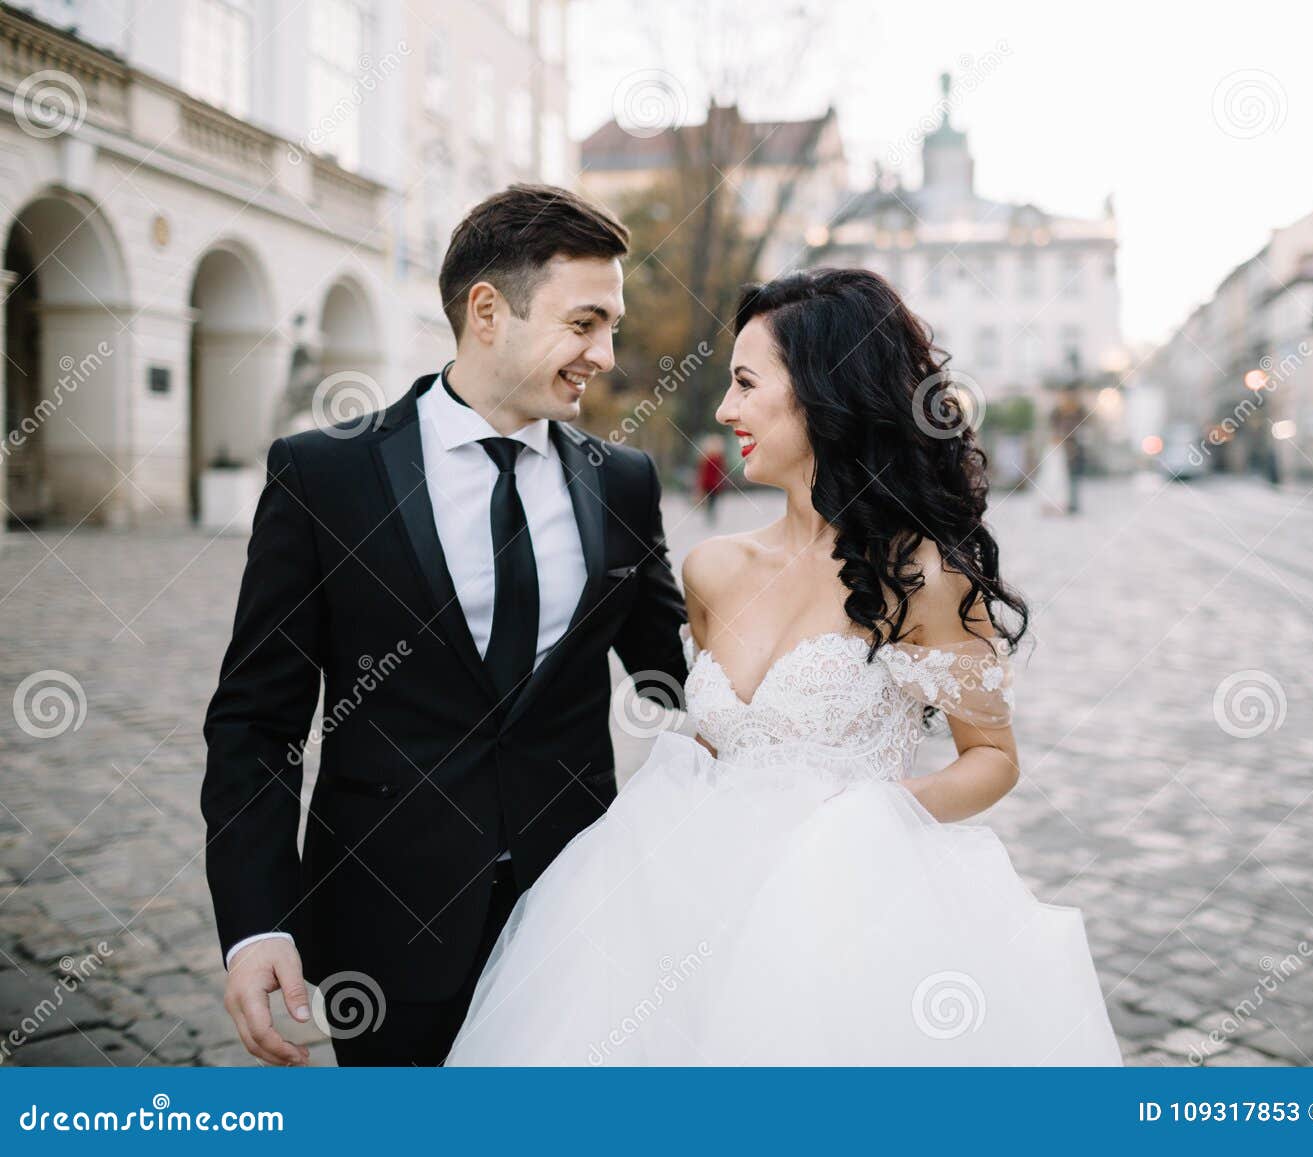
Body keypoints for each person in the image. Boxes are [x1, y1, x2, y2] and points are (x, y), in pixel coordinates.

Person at [445, 269, 1122, 1065]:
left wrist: (868, 826)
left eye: (744, 382)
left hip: (849, 927)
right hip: (683, 912)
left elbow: (993, 758)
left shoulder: (923, 577)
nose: (726, 410)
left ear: (825, 394)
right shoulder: (712, 569)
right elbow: (716, 741)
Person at [201, 185, 688, 1066]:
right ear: (488, 311)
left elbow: (676, 673)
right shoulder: (326, 477)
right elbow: (255, 720)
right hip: (385, 930)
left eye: (609, 326)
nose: (605, 355)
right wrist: (257, 922)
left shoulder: (621, 483)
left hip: (577, 918)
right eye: (585, 323)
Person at [695, 432, 728, 523]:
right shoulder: (713, 458)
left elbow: (720, 472)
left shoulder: (713, 458)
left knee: (712, 500)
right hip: (711, 483)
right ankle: (710, 515)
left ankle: (710, 514)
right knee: (711, 500)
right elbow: (703, 472)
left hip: (712, 483)